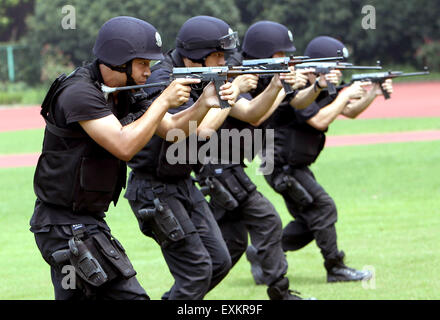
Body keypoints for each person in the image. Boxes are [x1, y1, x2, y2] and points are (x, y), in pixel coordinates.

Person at [30, 16, 216, 300]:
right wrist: (164, 100)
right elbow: (124, 145)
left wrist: (204, 103)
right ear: (118, 61)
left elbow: (171, 130)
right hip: (63, 224)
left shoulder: (125, 93)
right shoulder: (79, 92)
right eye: (142, 63)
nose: (148, 71)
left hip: (83, 219)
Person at [195, 21, 339, 300]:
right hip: (216, 164)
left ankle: (183, 297)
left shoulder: (263, 73)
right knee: (268, 220)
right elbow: (253, 114)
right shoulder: (237, 72)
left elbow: (296, 103)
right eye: (281, 55)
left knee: (232, 247)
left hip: (228, 164)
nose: (288, 60)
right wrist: (279, 87)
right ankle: (281, 294)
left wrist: (313, 86)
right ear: (264, 52)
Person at [248, 35, 393, 283]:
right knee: (324, 208)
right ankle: (335, 268)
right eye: (335, 67)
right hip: (282, 165)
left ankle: (260, 253)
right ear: (320, 65)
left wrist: (373, 93)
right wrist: (346, 95)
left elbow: (349, 112)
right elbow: (319, 120)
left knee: (310, 220)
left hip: (292, 164)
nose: (339, 73)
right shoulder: (301, 87)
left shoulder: (321, 87)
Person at [123, 15, 247, 300]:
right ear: (193, 59)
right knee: (197, 270)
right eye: (217, 56)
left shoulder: (201, 74)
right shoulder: (162, 79)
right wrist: (232, 93)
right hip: (153, 188)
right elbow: (199, 130)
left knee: (219, 261)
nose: (223, 62)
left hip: (182, 181)